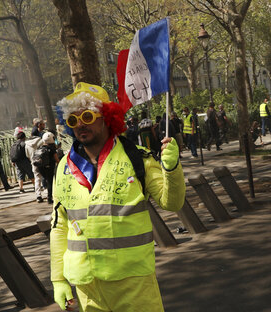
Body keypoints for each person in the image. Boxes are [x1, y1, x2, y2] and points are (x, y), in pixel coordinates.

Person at [50, 82, 184, 311]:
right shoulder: (64, 167)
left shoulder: (137, 159)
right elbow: (60, 224)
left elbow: (172, 203)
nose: (80, 124)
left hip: (132, 282)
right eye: (73, 120)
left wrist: (172, 169)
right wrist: (58, 278)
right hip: (86, 286)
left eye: (88, 116)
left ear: (107, 117)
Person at [34, 132, 59, 204]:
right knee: (50, 182)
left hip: (41, 168)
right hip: (49, 167)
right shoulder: (51, 149)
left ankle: (47, 196)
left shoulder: (40, 148)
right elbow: (56, 159)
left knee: (46, 181)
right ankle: (49, 198)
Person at [24, 133, 45, 202]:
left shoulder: (26, 145)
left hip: (34, 163)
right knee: (47, 177)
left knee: (37, 179)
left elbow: (27, 155)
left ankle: (38, 195)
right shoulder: (41, 141)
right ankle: (49, 193)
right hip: (43, 162)